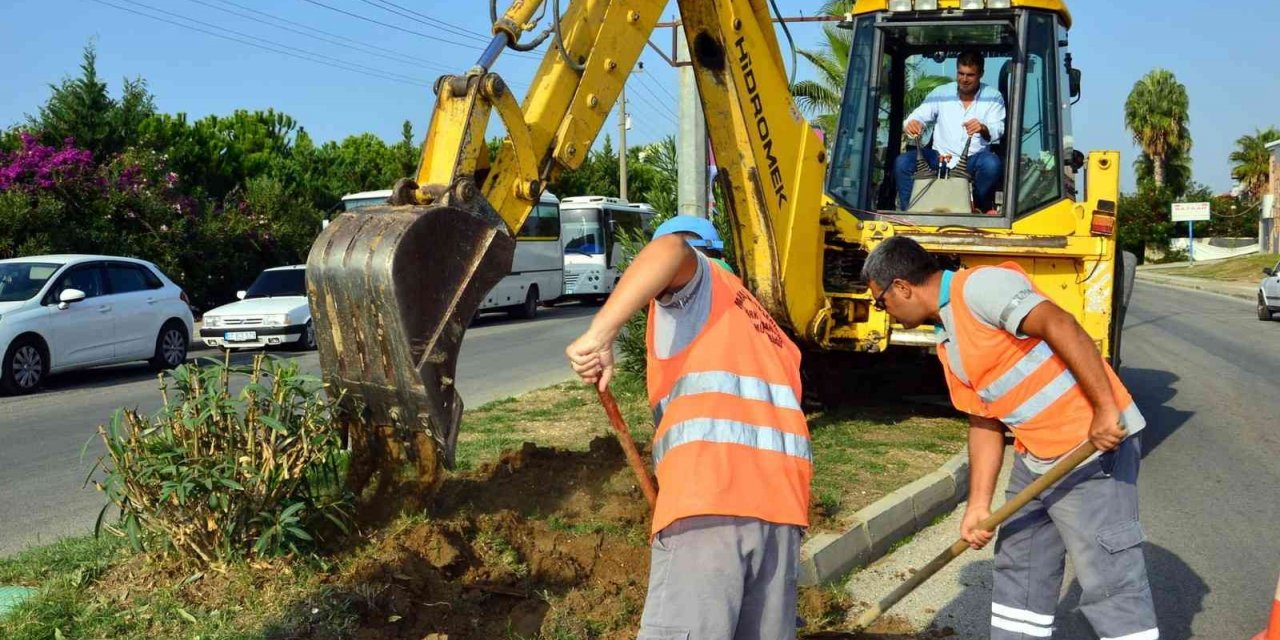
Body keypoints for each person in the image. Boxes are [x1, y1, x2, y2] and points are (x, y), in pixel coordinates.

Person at [862, 236, 1157, 640]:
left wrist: (1106, 409)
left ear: (901, 287)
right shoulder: (948, 339)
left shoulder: (980, 288)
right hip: (1036, 456)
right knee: (1021, 562)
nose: (887, 312)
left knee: (1106, 576)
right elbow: (984, 422)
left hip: (1089, 447)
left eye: (881, 302)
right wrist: (977, 506)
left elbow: (1060, 324)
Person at [565, 215, 812, 639]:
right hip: (782, 515)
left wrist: (600, 333)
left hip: (710, 504)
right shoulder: (769, 331)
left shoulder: (696, 285)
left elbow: (671, 251)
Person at [896, 52, 1006, 213]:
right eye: (961, 73)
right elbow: (917, 116)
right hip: (939, 158)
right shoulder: (942, 93)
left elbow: (998, 129)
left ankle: (979, 208)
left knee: (992, 164)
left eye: (970, 75)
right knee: (903, 163)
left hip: (973, 160)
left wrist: (983, 128)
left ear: (981, 74)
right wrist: (913, 123)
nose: (964, 79)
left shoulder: (993, 97)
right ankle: (910, 212)